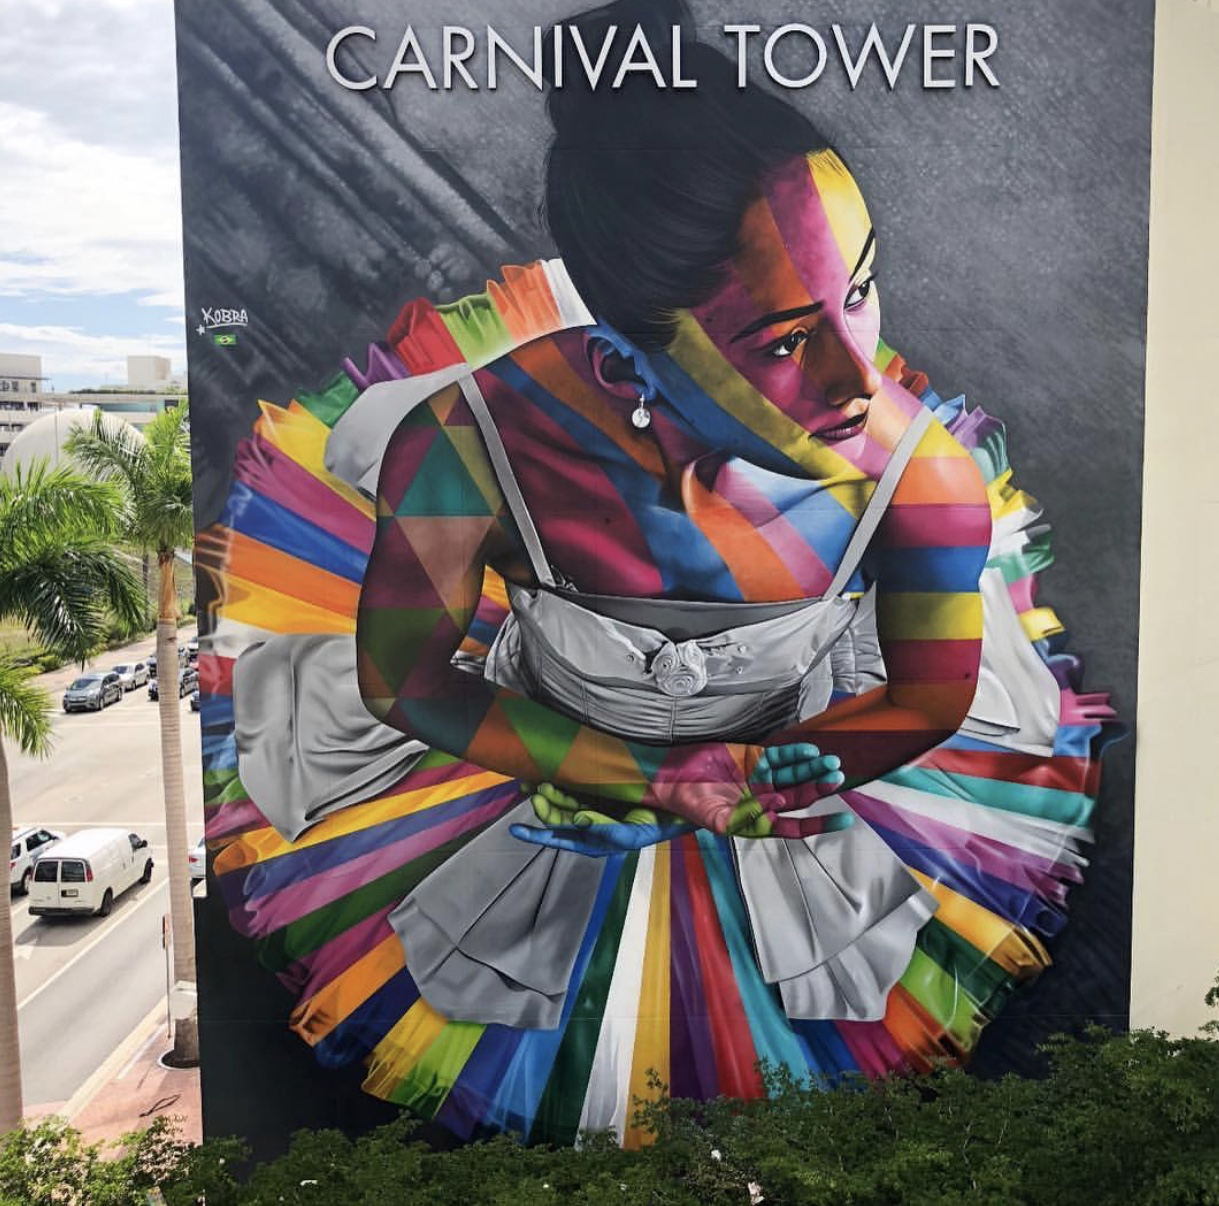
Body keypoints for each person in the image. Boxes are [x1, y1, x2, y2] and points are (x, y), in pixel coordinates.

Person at [202, 0, 1113, 1146]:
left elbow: (931, 692)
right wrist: (637, 774)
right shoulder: (469, 440)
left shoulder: (920, 476)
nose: (856, 374)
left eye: (861, 290)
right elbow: (406, 678)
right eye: (783, 342)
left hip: (792, 801)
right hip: (534, 782)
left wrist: (788, 765)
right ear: (626, 346)